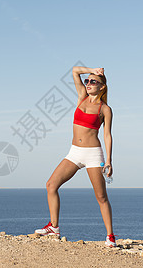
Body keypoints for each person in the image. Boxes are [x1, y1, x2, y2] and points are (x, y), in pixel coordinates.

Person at [34, 66, 117, 247]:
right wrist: (92, 70)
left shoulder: (105, 109)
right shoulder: (81, 97)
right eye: (87, 81)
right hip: (74, 152)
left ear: (102, 86)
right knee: (51, 185)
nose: (88, 84)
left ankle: (110, 236)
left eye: (93, 81)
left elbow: (107, 135)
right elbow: (74, 71)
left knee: (101, 196)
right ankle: (54, 227)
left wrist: (109, 161)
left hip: (93, 154)